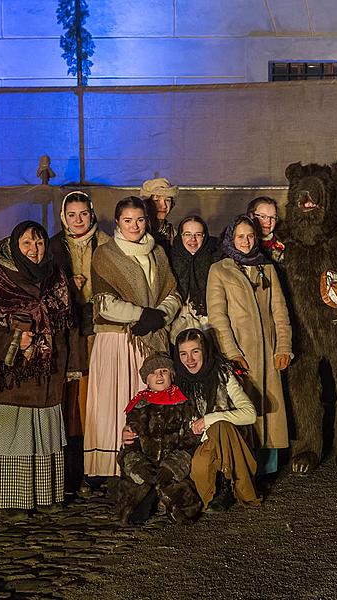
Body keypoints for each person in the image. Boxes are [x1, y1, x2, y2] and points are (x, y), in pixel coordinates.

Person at [0, 221, 72, 517]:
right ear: (14, 245)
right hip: (4, 370)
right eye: (26, 244)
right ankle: (13, 498)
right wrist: (13, 340)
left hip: (44, 369)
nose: (34, 250)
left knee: (44, 431)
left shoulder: (54, 273)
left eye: (38, 243)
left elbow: (63, 317)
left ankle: (46, 494)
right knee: (11, 433)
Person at [84, 197, 180, 478]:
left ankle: (145, 465)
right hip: (118, 340)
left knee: (145, 401)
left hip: (149, 339)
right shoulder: (105, 254)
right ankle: (111, 467)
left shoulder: (158, 253)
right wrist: (141, 315)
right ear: (117, 223)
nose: (134, 226)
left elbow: (173, 292)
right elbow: (103, 302)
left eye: (139, 220)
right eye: (128, 220)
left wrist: (159, 315)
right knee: (115, 401)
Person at [207, 215, 293, 480]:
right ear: (230, 238)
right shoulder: (220, 270)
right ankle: (242, 466)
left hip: (267, 351)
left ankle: (267, 468)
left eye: (250, 236)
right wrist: (231, 351)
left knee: (270, 408)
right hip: (241, 353)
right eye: (240, 236)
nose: (245, 241)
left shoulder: (266, 269)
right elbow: (218, 316)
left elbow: (280, 311)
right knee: (244, 406)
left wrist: (284, 347)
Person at [48, 190, 110, 496]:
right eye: (71, 215)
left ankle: (96, 467)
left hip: (98, 330)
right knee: (70, 403)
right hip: (67, 336)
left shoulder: (108, 245)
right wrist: (66, 287)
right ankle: (69, 471)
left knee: (96, 400)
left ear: (92, 213)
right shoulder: (51, 248)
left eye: (83, 213)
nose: (78, 220)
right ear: (63, 217)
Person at [173, 328, 260, 511]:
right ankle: (214, 487)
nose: (190, 360)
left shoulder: (223, 375)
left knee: (221, 426)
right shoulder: (178, 384)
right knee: (199, 468)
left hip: (227, 442)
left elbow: (250, 413)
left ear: (204, 351)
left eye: (195, 351)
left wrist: (208, 419)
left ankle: (227, 483)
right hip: (198, 446)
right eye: (183, 354)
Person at [115, 354, 201, 525]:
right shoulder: (138, 407)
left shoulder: (184, 404)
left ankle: (167, 503)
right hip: (146, 464)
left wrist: (172, 466)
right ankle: (150, 498)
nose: (159, 376)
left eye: (164, 371)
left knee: (184, 502)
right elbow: (131, 445)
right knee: (132, 504)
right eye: (153, 373)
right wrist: (138, 465)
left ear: (172, 375)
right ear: (147, 379)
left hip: (170, 467)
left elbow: (190, 441)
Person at [169, 215, 219, 343]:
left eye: (198, 234)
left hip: (208, 321)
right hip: (177, 319)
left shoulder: (215, 258)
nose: (193, 239)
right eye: (187, 234)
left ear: (204, 236)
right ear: (180, 236)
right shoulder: (170, 258)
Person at [141, 177, 179, 245]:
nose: (164, 206)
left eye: (167, 200)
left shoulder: (173, 233)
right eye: (156, 200)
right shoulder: (138, 231)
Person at [247, 196, 285, 263]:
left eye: (272, 217)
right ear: (251, 216)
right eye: (263, 216)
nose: (268, 222)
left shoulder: (285, 240)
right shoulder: (243, 242)